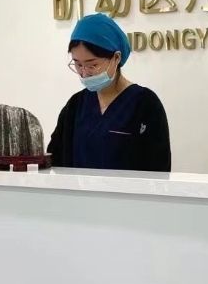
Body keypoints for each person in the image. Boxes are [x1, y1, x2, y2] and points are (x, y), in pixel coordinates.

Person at [47, 13, 171, 172]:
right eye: (78, 64)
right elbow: (55, 159)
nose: (84, 73)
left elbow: (159, 168)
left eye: (92, 65)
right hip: (78, 189)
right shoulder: (75, 106)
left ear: (116, 58)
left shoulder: (145, 104)